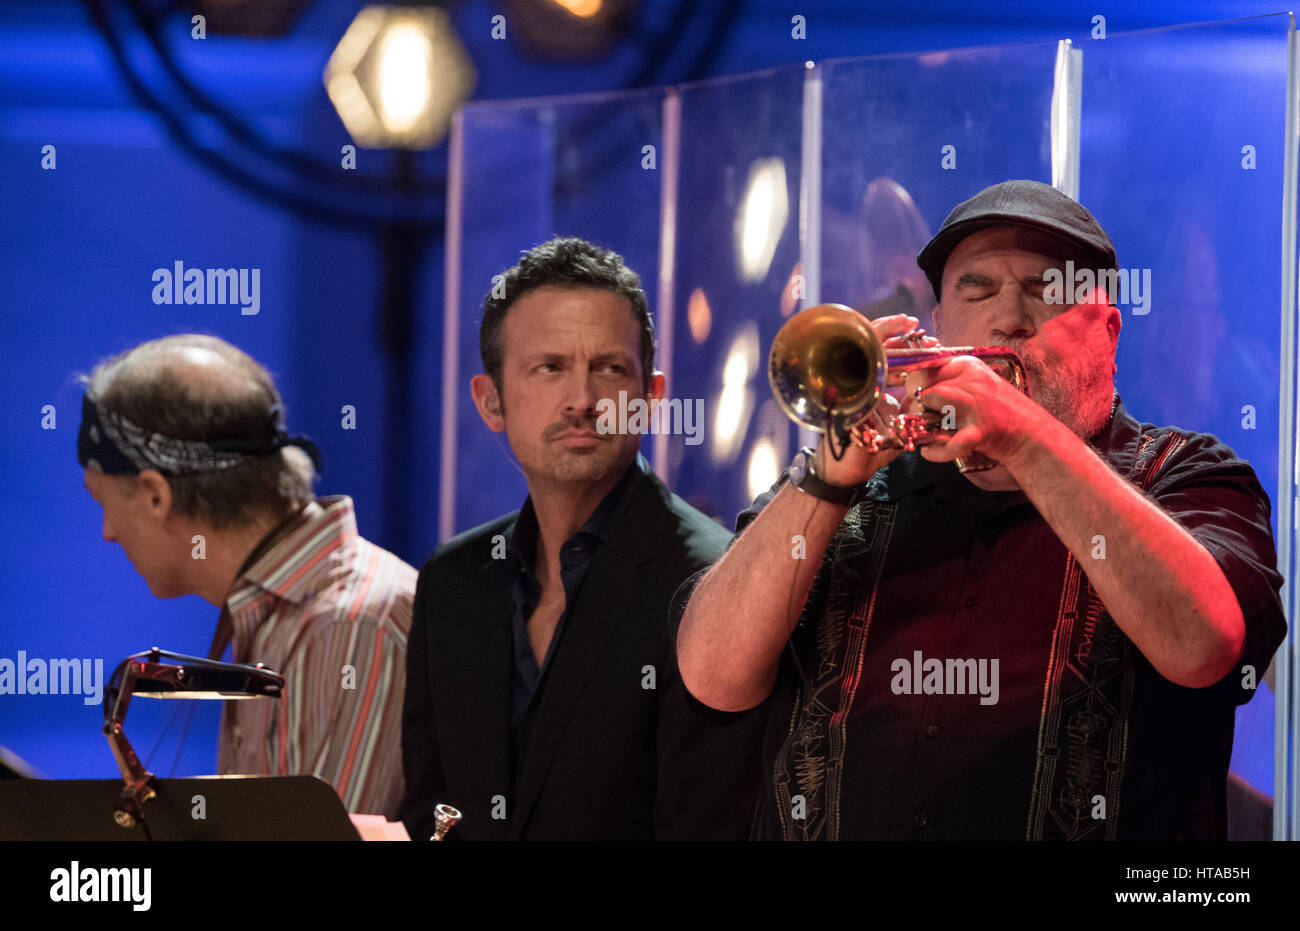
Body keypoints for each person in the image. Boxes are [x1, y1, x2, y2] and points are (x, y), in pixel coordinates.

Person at [676, 180, 1287, 841]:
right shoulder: (841, 486)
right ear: (937, 327)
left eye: (1045, 290)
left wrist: (1023, 437)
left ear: (1108, 331)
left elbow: (1205, 644)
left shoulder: (1188, 475)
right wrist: (826, 479)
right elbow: (711, 674)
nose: (1009, 316)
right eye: (977, 289)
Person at [401, 237, 766, 840]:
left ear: (649, 399)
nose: (583, 401)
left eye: (609, 368)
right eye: (550, 368)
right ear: (490, 400)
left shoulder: (710, 583)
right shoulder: (453, 579)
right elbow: (429, 815)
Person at [79, 334, 414, 817]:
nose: (108, 532)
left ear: (156, 494)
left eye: (103, 502)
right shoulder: (280, 611)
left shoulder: (349, 624)